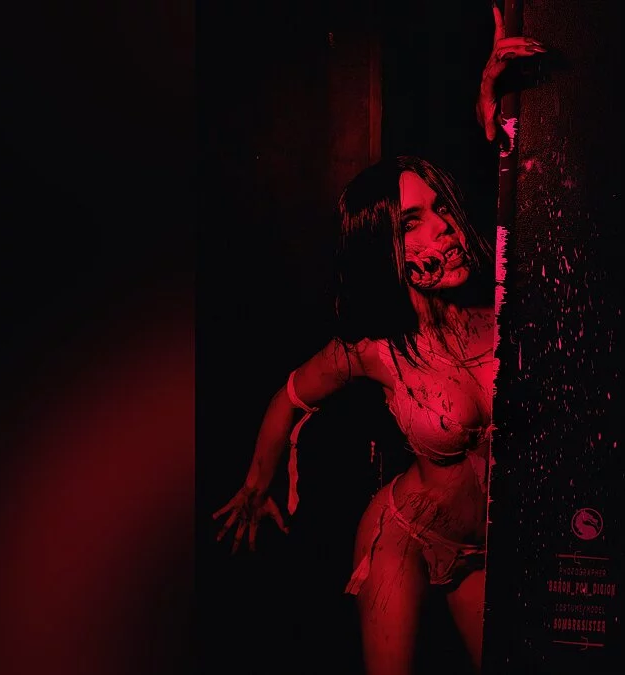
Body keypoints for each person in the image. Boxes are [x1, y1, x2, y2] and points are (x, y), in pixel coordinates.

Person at [213, 7, 546, 674]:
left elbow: (519, 186)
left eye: (443, 209)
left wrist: (497, 108)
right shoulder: (377, 348)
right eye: (413, 222)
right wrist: (256, 482)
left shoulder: (507, 300)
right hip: (408, 534)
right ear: (386, 249)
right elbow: (290, 394)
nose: (443, 229)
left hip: (488, 548)